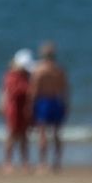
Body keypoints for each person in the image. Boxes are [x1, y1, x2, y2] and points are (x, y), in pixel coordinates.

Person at [30, 40, 71, 172]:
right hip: (56, 100)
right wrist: (65, 104)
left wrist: (30, 105)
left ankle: (42, 163)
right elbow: (65, 89)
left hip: (43, 102)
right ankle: (57, 163)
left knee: (42, 134)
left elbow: (35, 90)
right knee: (57, 133)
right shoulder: (59, 69)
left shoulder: (39, 70)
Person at [0, 49, 34, 174]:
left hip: (23, 108)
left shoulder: (27, 76)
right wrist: (28, 90)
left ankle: (25, 162)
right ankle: (7, 163)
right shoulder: (11, 76)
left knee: (24, 137)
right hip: (13, 108)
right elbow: (12, 92)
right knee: (12, 135)